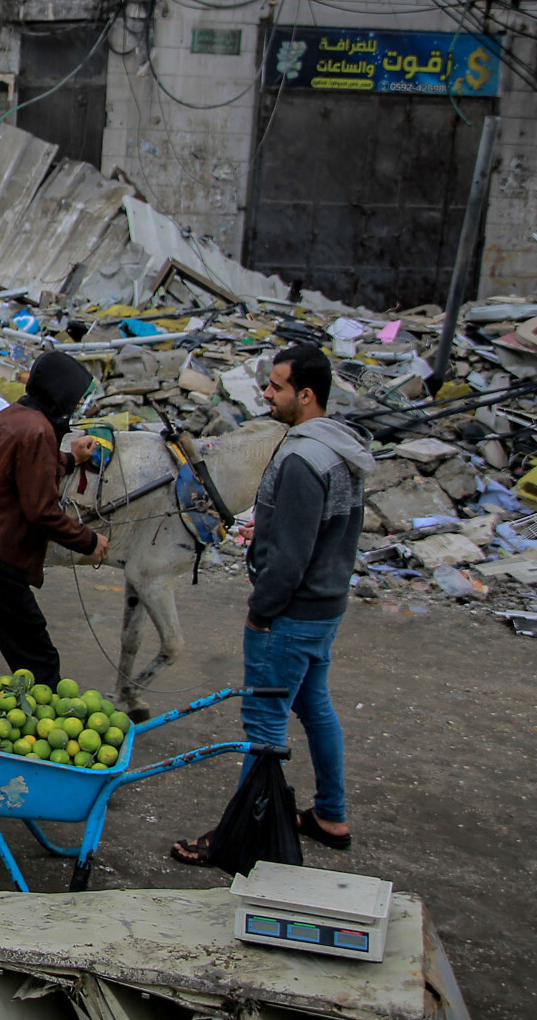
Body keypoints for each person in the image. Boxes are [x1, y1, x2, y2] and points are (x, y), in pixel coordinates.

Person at [172, 345, 372, 866]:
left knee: (263, 729)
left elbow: (291, 557)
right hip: (325, 608)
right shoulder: (340, 447)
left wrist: (262, 610)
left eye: (277, 387)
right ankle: (330, 815)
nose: (266, 394)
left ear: (305, 395)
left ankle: (237, 839)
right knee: (315, 707)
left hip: (291, 615)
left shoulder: (303, 459)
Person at [0, 350, 107, 690]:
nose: (78, 404)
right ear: (59, 392)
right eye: (76, 396)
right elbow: (41, 511)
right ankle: (47, 721)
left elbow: (27, 467)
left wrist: (71, 459)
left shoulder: (14, 415)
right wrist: (89, 541)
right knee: (39, 661)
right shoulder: (39, 431)